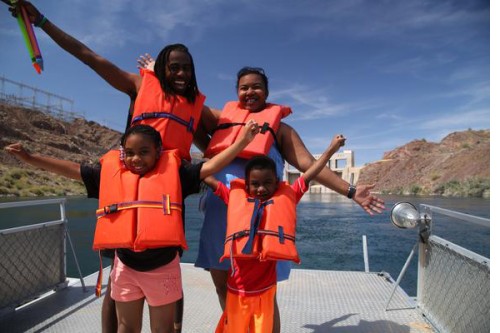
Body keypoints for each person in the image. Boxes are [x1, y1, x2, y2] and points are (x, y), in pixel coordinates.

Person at [138, 56, 386, 333]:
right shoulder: (222, 120)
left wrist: (351, 191)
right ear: (237, 92)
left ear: (267, 92)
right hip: (220, 214)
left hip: (262, 224)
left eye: (256, 87)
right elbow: (183, 99)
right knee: (224, 286)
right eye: (243, 88)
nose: (249, 92)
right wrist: (158, 77)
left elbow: (307, 166)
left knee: (265, 292)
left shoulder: (280, 128)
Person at [7, 1, 210, 331]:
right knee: (119, 277)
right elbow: (88, 56)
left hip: (168, 190)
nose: (182, 74)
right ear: (161, 68)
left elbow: (221, 136)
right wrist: (41, 20)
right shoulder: (138, 84)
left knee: (171, 271)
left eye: (186, 67)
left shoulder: (196, 106)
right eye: (174, 67)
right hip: (125, 184)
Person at [4, 121, 260, 333]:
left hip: (162, 268)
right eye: (130, 152)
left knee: (163, 329)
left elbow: (212, 165)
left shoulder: (178, 175)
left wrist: (243, 141)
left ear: (158, 151)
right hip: (125, 266)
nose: (136, 159)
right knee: (126, 327)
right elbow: (70, 169)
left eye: (144, 151)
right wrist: (29, 157)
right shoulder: (109, 175)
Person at [203, 134, 346, 332]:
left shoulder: (289, 196)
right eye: (255, 184)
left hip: (265, 292)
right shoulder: (232, 197)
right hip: (237, 291)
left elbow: (310, 173)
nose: (261, 189)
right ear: (247, 184)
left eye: (267, 183)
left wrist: (331, 149)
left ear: (277, 182)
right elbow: (205, 175)